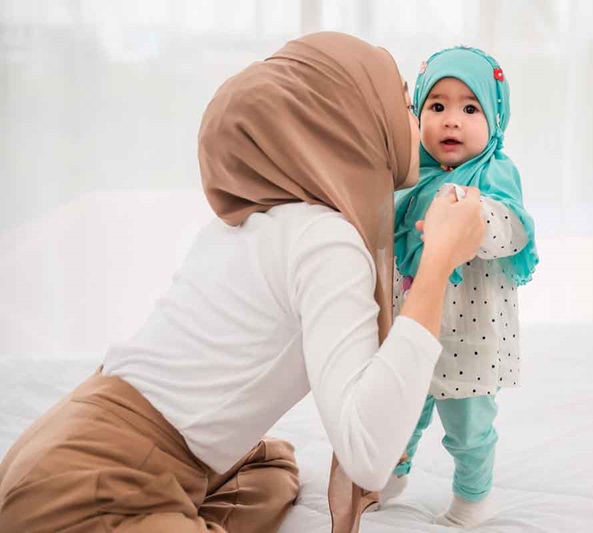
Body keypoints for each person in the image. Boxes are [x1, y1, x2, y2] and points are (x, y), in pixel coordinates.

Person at [0, 32, 486, 532]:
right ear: (347, 123)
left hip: (66, 441)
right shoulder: (326, 241)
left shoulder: (254, 218)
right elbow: (367, 454)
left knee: (274, 470)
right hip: (87, 485)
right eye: (405, 102)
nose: (415, 120)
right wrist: (439, 263)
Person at [385, 45, 538, 527]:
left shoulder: (494, 175)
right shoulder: (408, 176)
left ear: (496, 117)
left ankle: (472, 496)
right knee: (396, 411)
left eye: (470, 108)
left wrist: (473, 217)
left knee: (468, 427)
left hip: (469, 338)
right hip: (409, 324)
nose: (452, 120)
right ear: (417, 116)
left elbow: (513, 231)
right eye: (437, 106)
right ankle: (388, 477)